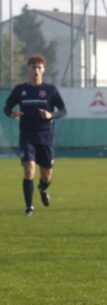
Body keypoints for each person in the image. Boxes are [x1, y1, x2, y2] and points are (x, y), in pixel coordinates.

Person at [3, 54, 67, 216]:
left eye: (39, 67)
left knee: (46, 176)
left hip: (45, 137)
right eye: (33, 67)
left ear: (44, 70)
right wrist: (12, 113)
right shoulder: (20, 90)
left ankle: (42, 189)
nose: (36, 70)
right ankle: (29, 207)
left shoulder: (50, 90)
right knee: (29, 169)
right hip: (27, 136)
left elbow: (63, 110)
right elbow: (6, 107)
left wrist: (50, 115)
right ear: (28, 69)